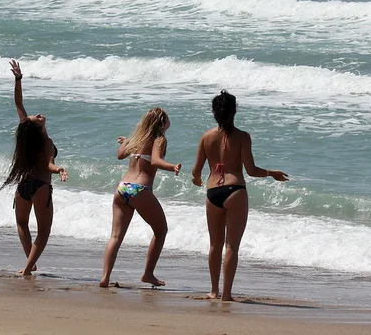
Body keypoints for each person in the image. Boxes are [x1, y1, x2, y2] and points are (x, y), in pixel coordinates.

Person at [191, 90, 289, 301]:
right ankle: (227, 294)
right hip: (235, 191)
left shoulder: (206, 137)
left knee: (214, 245)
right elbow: (251, 170)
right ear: (234, 111)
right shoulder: (243, 137)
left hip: (212, 193)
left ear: (214, 112)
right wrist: (272, 174)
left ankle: (213, 291)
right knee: (231, 246)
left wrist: (196, 179)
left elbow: (196, 170)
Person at [100, 107, 181, 288]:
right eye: (167, 118)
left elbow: (120, 155)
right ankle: (148, 274)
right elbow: (155, 161)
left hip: (122, 188)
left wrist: (128, 142)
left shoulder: (138, 138)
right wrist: (172, 166)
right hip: (139, 189)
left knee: (115, 236)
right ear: (162, 123)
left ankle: (105, 277)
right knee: (161, 231)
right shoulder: (160, 139)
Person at [1, 60, 68, 276]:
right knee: (44, 231)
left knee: (22, 223)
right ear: (35, 126)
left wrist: (18, 79)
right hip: (40, 187)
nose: (38, 115)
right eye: (36, 118)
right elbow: (49, 164)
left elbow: (19, 105)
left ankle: (30, 261)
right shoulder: (45, 142)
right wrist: (58, 170)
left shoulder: (28, 137)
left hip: (24, 187)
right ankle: (28, 268)